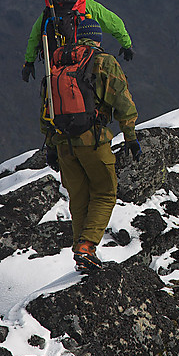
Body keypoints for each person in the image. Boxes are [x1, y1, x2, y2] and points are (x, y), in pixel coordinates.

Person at [42, 18, 141, 272]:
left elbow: (47, 108)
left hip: (63, 142)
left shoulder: (59, 62)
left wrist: (51, 145)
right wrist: (130, 136)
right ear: (97, 38)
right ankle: (86, 248)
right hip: (92, 140)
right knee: (105, 192)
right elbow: (123, 101)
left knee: (78, 199)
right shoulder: (103, 61)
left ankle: (80, 253)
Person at [22, 0, 134, 82]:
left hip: (56, 64)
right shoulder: (89, 5)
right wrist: (127, 45)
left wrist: (29, 62)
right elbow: (116, 24)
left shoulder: (51, 8)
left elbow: (35, 36)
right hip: (83, 63)